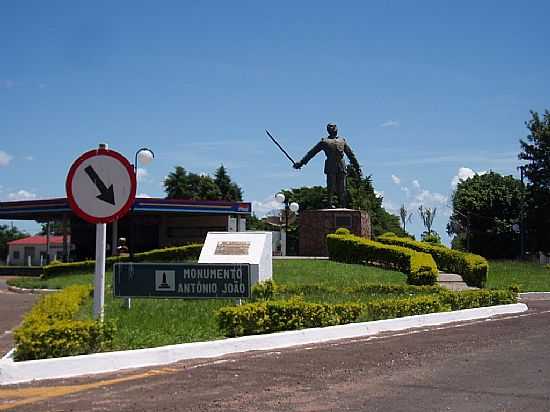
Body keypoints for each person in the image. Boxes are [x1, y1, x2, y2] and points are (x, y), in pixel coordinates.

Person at [293, 123, 361, 208]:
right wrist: (301, 163)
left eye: (334, 127)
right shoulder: (324, 141)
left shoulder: (342, 140)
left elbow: (351, 155)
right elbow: (311, 153)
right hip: (330, 165)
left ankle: (343, 205)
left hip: (341, 165)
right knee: (330, 187)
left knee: (342, 187)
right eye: (331, 127)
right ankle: (329, 204)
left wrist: (357, 167)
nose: (333, 129)